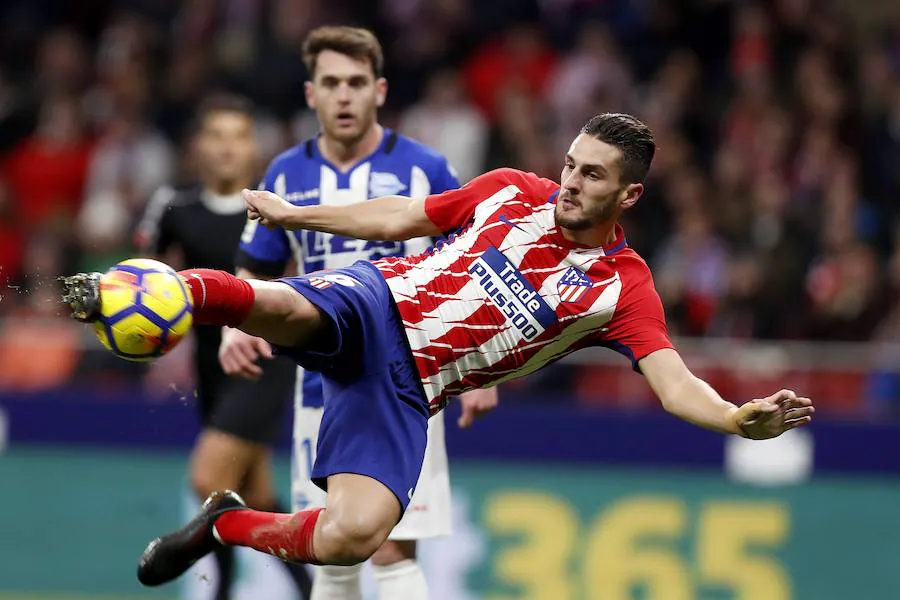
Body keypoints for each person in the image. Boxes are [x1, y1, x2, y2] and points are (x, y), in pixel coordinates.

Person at [61, 112, 814, 584]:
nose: (570, 182)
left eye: (593, 175)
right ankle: (150, 296)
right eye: (571, 164)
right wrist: (296, 213)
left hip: (408, 389)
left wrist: (735, 419)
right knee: (275, 304)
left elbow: (674, 383)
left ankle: (221, 523)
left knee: (356, 537)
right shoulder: (513, 190)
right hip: (376, 302)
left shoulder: (623, 289)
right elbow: (402, 219)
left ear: (629, 196)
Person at [219, 26, 497, 600]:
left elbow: (477, 270)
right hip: (320, 389)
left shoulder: (426, 169)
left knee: (395, 544)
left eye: (355, 83)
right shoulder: (285, 175)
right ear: (310, 94)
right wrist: (231, 326)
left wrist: (480, 367)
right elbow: (252, 267)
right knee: (332, 554)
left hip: (412, 383)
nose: (343, 96)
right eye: (331, 83)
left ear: (380, 90)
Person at [134, 93, 312, 600]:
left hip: (264, 357)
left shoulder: (274, 208)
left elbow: (303, 278)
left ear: (253, 146)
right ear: (198, 146)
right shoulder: (173, 204)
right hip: (213, 366)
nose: (228, 148)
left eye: (239, 136)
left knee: (208, 478)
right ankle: (308, 587)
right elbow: (142, 279)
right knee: (247, 496)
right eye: (217, 136)